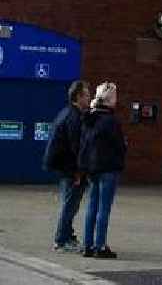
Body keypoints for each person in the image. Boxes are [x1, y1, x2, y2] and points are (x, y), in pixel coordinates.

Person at [78, 82, 126, 259]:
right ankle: (100, 246)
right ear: (110, 99)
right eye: (115, 96)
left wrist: (82, 167)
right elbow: (119, 146)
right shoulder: (111, 121)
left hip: (92, 169)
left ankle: (87, 245)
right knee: (104, 208)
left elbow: (83, 145)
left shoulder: (89, 119)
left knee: (92, 206)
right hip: (108, 168)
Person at [43, 80, 91, 252]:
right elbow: (75, 146)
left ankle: (68, 235)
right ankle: (61, 240)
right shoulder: (74, 117)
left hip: (64, 166)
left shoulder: (67, 112)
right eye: (86, 94)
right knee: (70, 204)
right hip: (69, 168)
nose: (89, 97)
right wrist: (78, 171)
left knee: (69, 203)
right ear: (78, 97)